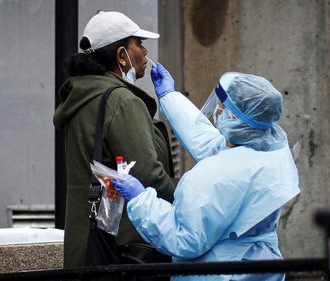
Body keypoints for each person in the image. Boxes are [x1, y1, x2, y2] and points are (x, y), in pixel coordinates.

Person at [112, 64, 300, 281]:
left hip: (220, 273)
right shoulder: (272, 149)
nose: (216, 110)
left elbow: (183, 239)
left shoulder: (215, 175)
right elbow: (210, 143)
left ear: (232, 117)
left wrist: (140, 199)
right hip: (261, 268)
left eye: (221, 106)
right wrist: (170, 97)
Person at [53, 11, 176, 269]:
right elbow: (148, 174)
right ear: (122, 56)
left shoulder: (84, 96)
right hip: (123, 252)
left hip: (88, 245)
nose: (145, 52)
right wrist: (188, 196)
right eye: (139, 44)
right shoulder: (121, 101)